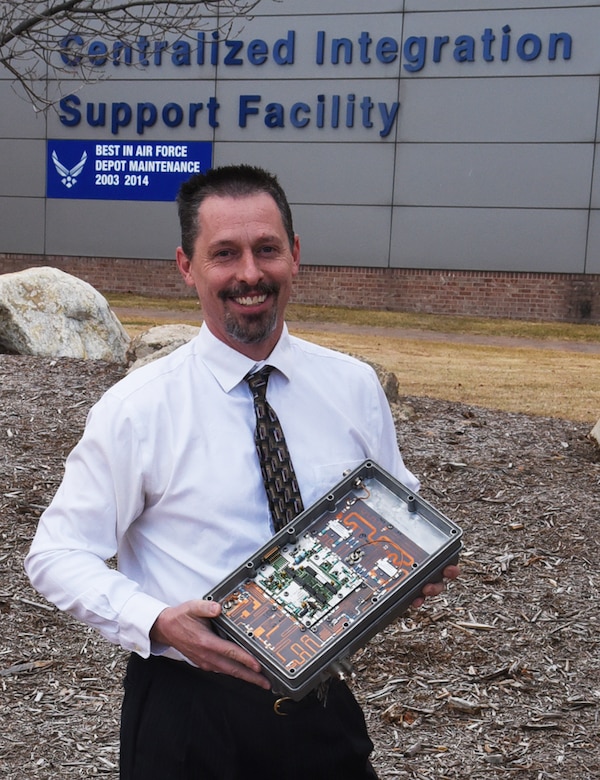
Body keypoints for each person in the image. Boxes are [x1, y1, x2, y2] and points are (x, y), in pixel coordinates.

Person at [25, 164, 459, 779]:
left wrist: (416, 563)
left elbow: (394, 504)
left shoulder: (353, 387)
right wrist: (156, 621)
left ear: (296, 255)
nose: (250, 275)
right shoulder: (137, 409)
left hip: (323, 712)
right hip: (190, 717)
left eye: (266, 250)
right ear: (187, 266)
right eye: (224, 254)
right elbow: (55, 553)